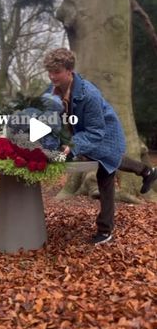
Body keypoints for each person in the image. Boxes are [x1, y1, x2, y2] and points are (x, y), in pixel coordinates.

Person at [43, 48, 157, 245]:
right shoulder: (50, 90)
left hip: (106, 135)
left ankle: (105, 230)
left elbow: (96, 131)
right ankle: (147, 171)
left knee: (105, 173)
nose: (52, 76)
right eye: (50, 72)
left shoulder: (89, 94)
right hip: (79, 133)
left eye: (57, 72)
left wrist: (72, 146)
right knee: (111, 160)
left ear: (69, 71)